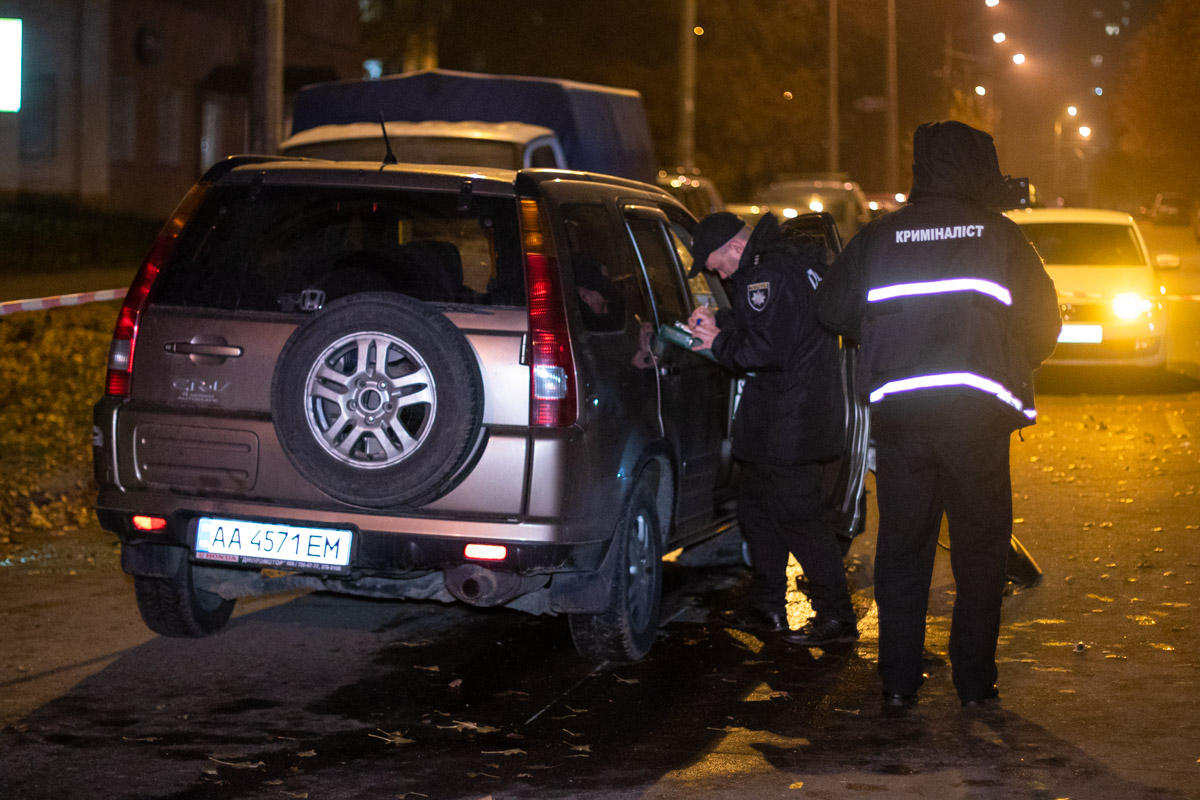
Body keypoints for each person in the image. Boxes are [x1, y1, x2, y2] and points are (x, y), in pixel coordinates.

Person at [815, 121, 1061, 708]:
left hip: (902, 421)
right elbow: (1045, 322)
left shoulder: (880, 237)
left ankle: (898, 683)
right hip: (977, 419)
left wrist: (882, 334)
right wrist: (1006, 355)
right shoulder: (1000, 238)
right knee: (980, 551)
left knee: (903, 550)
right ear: (978, 167)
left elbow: (831, 308)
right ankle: (975, 684)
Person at [686, 210, 858, 647]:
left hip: (789, 422)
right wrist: (724, 321)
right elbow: (780, 324)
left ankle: (836, 617)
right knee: (758, 511)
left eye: (714, 261)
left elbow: (767, 348)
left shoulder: (767, 274)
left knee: (801, 520)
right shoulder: (789, 265)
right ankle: (766, 606)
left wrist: (716, 342)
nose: (713, 271)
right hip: (787, 418)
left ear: (735, 248)